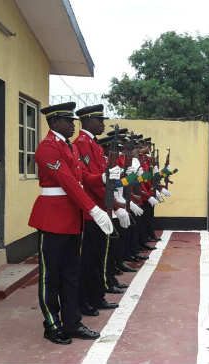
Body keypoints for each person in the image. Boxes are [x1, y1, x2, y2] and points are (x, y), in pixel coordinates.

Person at [28, 102, 117, 345]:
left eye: (72, 121)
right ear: (54, 122)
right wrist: (94, 209)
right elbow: (67, 182)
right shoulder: (47, 148)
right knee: (50, 276)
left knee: (71, 274)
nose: (72, 125)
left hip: (71, 218)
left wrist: (103, 177)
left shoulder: (70, 148)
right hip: (53, 218)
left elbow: (82, 179)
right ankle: (52, 324)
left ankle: (71, 321)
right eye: (68, 121)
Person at [73, 104, 120, 316]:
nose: (102, 124)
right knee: (89, 259)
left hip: (101, 207)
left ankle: (96, 295)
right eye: (99, 120)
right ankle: (86, 300)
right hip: (92, 212)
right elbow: (88, 179)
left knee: (98, 256)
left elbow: (103, 176)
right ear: (88, 120)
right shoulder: (82, 144)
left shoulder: (93, 144)